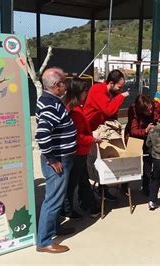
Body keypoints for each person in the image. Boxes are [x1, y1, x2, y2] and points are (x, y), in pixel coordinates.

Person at [35, 67, 77, 253]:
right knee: (52, 200)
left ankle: (53, 228)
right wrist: (52, 159)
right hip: (57, 160)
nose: (66, 85)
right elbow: (42, 135)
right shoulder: (51, 104)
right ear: (56, 85)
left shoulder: (50, 100)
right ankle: (44, 241)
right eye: (64, 82)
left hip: (61, 157)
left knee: (57, 198)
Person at [84, 69, 130, 201]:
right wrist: (121, 97)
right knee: (92, 163)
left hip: (100, 129)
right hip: (90, 130)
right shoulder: (98, 90)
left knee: (104, 160)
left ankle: (102, 189)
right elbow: (108, 109)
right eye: (119, 87)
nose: (120, 90)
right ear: (111, 83)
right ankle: (91, 194)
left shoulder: (110, 92)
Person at [62, 78, 101, 219]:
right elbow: (78, 137)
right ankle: (67, 210)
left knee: (81, 180)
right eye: (86, 91)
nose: (87, 94)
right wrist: (93, 139)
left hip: (77, 152)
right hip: (78, 153)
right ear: (80, 92)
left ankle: (86, 204)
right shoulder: (75, 112)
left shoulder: (72, 106)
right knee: (73, 183)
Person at [124, 95, 160, 196]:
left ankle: (146, 186)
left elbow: (158, 116)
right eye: (147, 111)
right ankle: (125, 185)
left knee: (148, 159)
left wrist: (158, 122)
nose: (150, 112)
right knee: (130, 159)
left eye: (150, 109)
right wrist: (145, 130)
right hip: (134, 135)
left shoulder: (156, 105)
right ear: (141, 110)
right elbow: (133, 130)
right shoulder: (133, 109)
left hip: (149, 135)